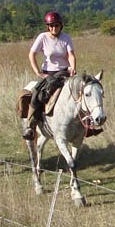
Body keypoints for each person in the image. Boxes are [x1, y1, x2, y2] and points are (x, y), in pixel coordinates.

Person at [22, 11, 76, 139]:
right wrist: (37, 72)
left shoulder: (66, 38)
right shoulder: (42, 37)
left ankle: (87, 125)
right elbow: (32, 54)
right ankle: (30, 125)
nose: (53, 28)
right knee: (36, 94)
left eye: (56, 25)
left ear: (60, 25)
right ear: (47, 26)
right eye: (51, 25)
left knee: (80, 92)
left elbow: (71, 55)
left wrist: (73, 68)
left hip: (64, 71)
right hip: (49, 73)